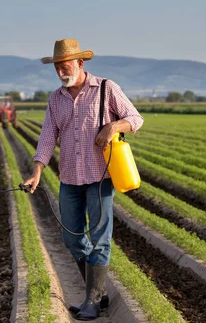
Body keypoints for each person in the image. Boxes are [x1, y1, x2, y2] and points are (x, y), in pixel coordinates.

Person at [23, 38, 143, 320]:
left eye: (65, 66)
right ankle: (98, 294)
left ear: (80, 63)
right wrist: (37, 171)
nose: (62, 72)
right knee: (72, 238)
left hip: (100, 177)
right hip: (70, 179)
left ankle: (92, 300)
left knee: (100, 239)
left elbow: (135, 119)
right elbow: (47, 137)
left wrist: (113, 126)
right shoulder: (56, 99)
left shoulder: (105, 88)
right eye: (57, 68)